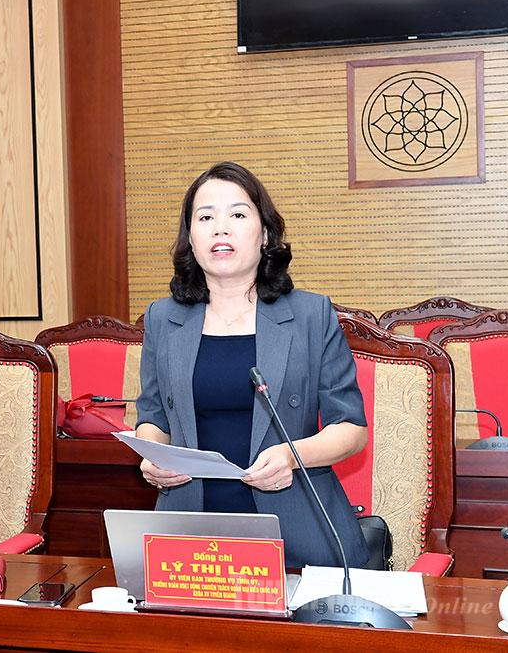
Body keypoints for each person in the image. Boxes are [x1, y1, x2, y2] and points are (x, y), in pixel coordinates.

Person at [135, 162, 370, 569]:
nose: (220, 229)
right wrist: (152, 456)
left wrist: (292, 456)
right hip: (191, 532)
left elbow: (351, 429)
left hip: (297, 526)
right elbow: (153, 416)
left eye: (238, 215)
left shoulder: (310, 315)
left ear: (264, 234)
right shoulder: (163, 318)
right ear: (190, 238)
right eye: (205, 218)